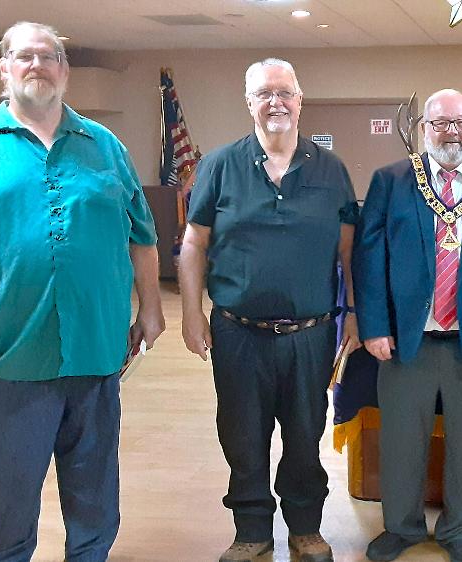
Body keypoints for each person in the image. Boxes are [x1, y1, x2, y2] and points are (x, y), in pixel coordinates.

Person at [0, 21, 165, 562]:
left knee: (94, 499)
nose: (37, 65)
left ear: (65, 70)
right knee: (9, 506)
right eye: (24, 56)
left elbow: (143, 236)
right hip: (6, 360)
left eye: (49, 56)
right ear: (5, 70)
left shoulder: (104, 147)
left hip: (96, 353)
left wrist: (152, 309)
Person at [179, 58, 357, 562]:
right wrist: (192, 314)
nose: (275, 102)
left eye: (285, 92)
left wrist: (356, 314)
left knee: (305, 434)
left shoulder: (331, 170)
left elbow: (349, 251)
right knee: (242, 435)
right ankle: (252, 530)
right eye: (264, 93)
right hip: (238, 333)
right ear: (249, 103)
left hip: (311, 333)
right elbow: (194, 244)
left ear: (300, 100)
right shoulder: (218, 166)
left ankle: (305, 527)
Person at [353, 89, 462, 562]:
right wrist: (373, 326)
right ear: (424, 128)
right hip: (408, 339)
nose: (452, 132)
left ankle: (459, 530)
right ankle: (402, 528)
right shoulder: (391, 181)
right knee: (402, 441)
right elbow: (369, 259)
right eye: (441, 123)